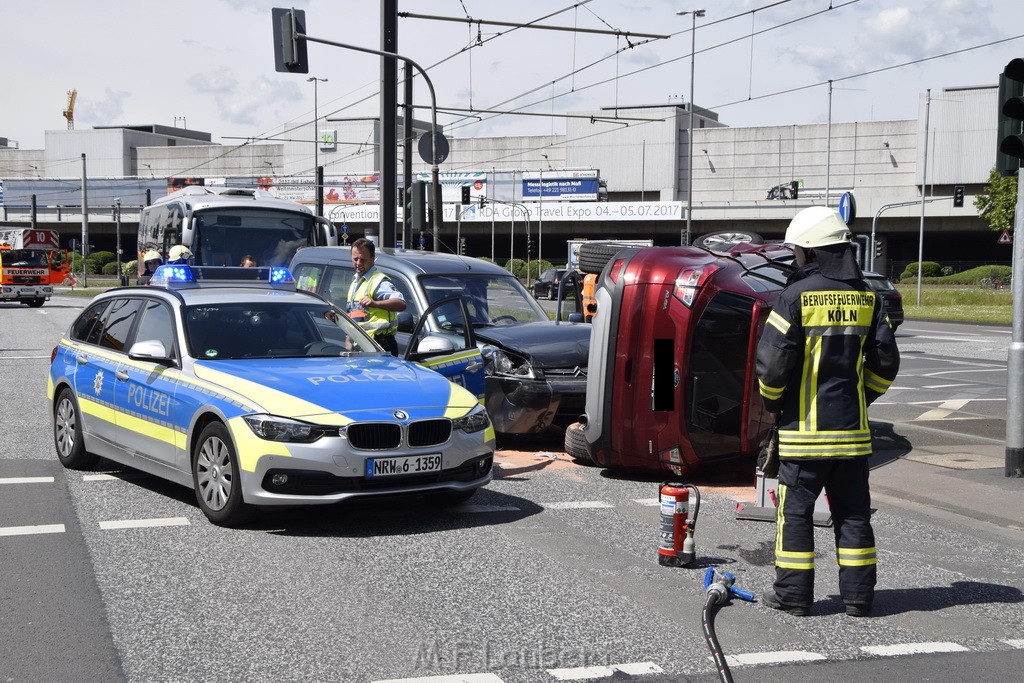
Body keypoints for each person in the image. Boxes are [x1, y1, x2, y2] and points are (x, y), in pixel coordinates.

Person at [755, 206, 900, 618]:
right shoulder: (866, 297)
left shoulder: (796, 296)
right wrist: (862, 399)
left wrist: (773, 404)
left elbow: (773, 366)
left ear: (810, 251)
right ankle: (859, 599)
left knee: (796, 516)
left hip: (804, 437)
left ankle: (793, 596)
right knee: (853, 515)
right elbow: (886, 363)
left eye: (798, 249)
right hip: (853, 437)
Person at [346, 238, 406, 355]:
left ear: (373, 258)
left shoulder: (379, 281)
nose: (358, 263)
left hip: (380, 345)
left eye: (363, 260)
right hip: (361, 345)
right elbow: (353, 314)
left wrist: (375, 303)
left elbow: (401, 303)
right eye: (355, 259)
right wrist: (349, 338)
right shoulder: (355, 282)